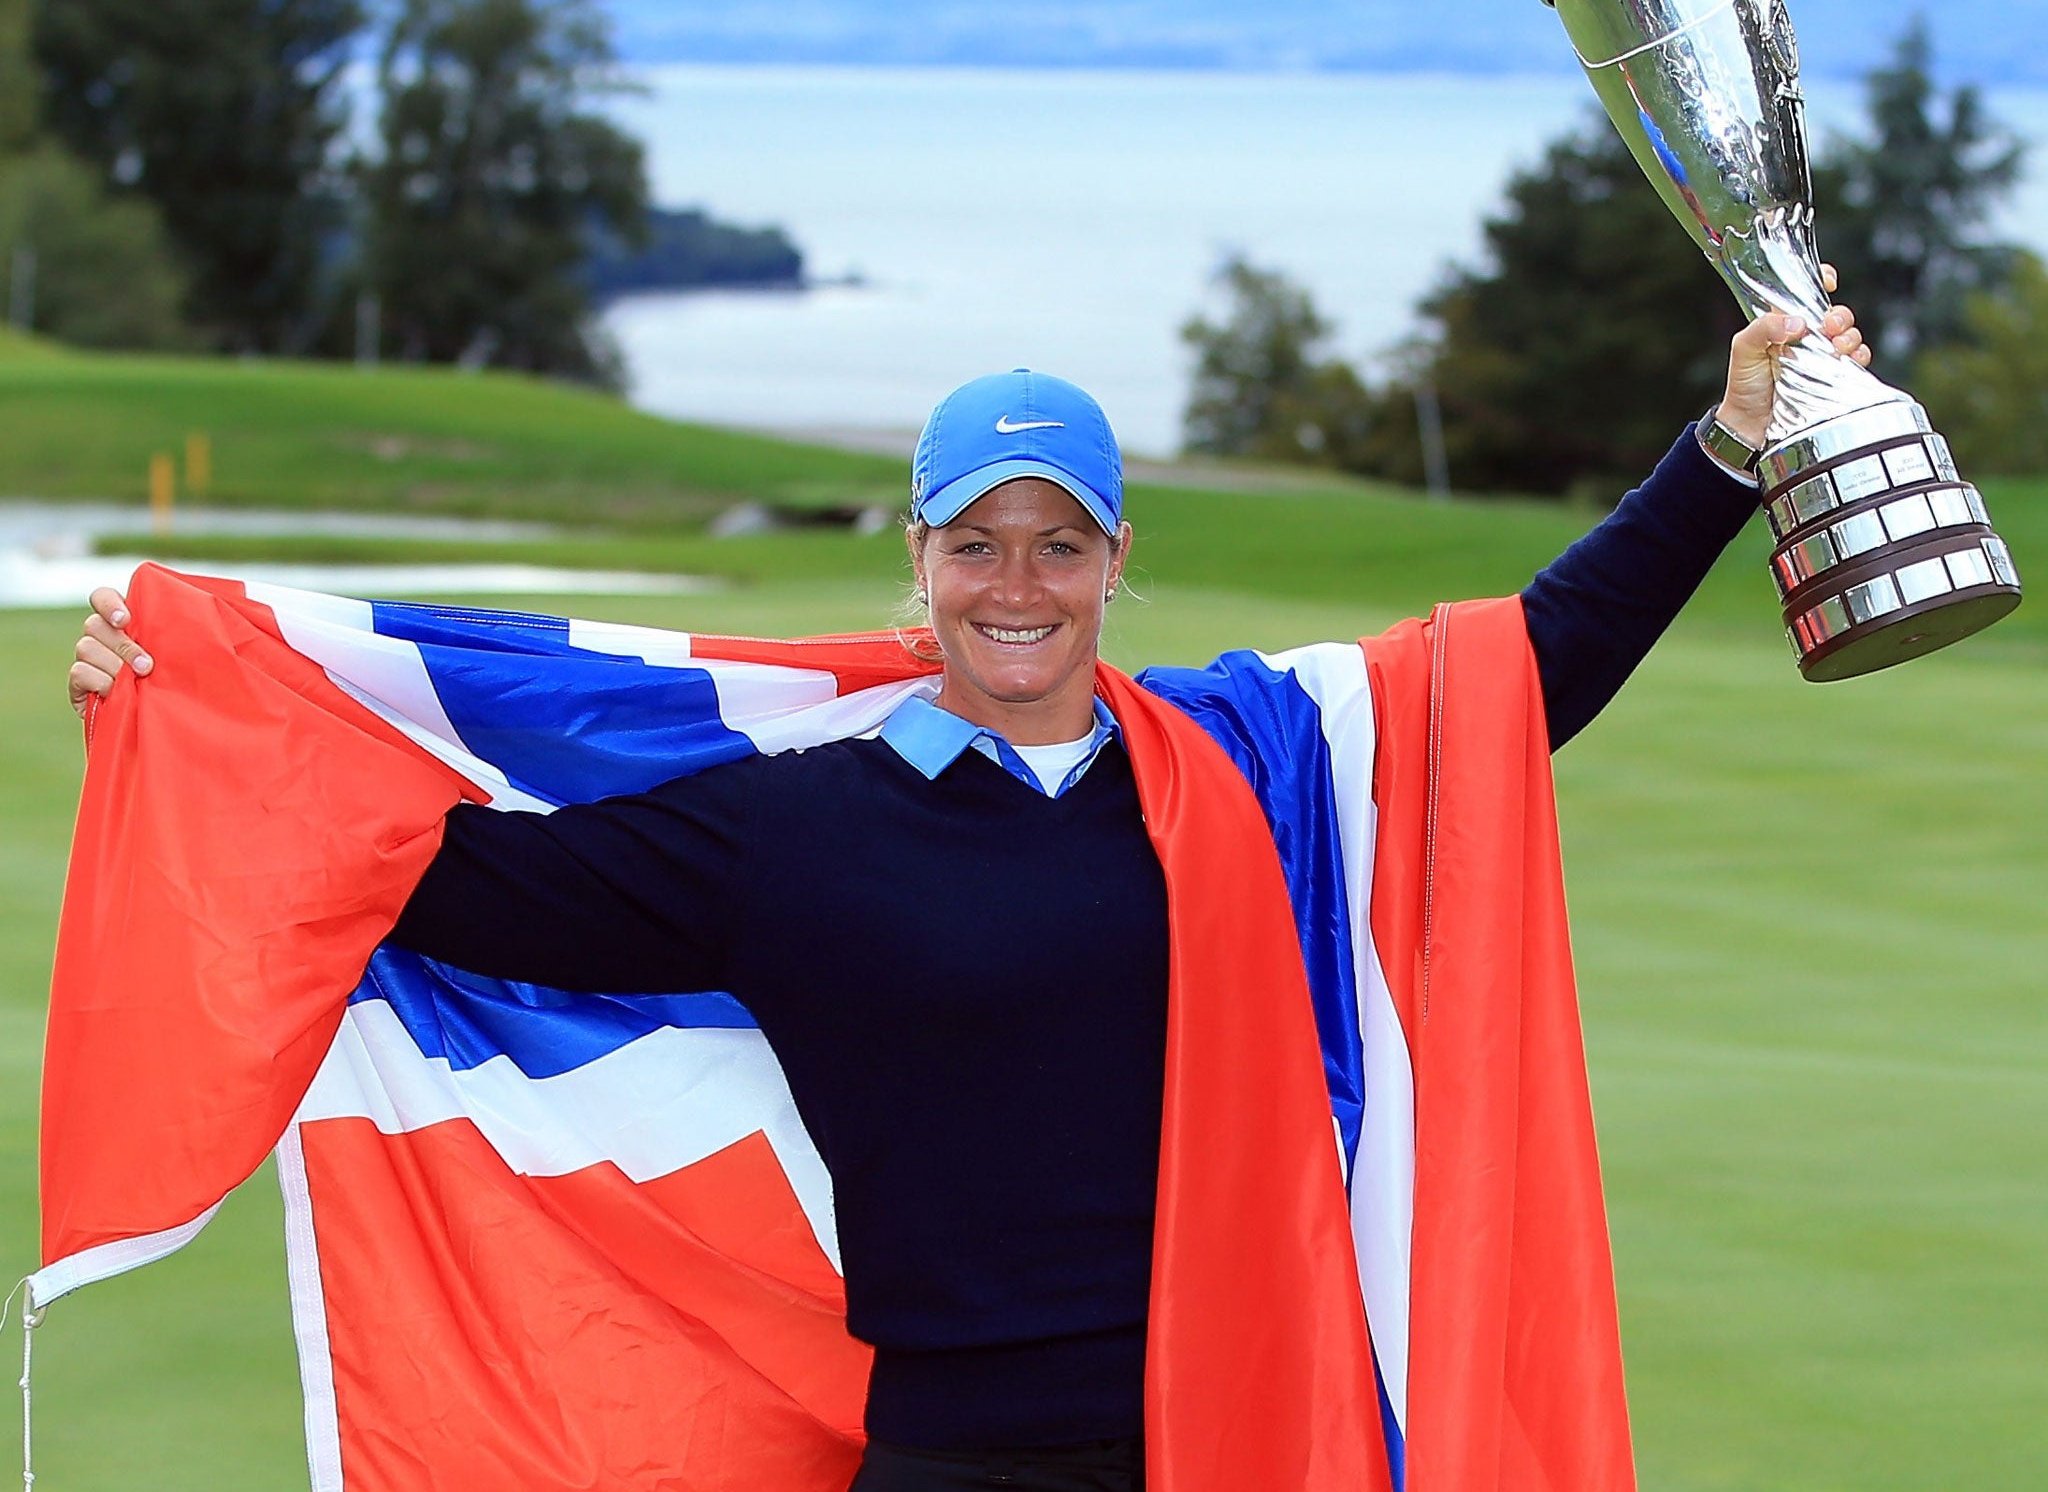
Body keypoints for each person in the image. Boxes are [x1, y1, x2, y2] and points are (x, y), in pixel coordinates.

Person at [67, 298, 1872, 1492]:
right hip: (944, 1449)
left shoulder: (1242, 760)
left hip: (1244, 1426)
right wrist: (181, 717)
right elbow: (428, 880)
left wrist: (1722, 452)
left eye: (1058, 540)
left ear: (1114, 558)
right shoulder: (781, 831)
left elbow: (1522, 674)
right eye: (978, 542)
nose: (1020, 581)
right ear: (916, 559)